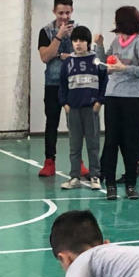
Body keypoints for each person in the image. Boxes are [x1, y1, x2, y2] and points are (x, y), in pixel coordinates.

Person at [94, 6, 139, 201]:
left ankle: (130, 184)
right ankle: (110, 184)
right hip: (113, 96)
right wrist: (99, 46)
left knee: (130, 142)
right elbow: (104, 64)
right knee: (111, 141)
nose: (114, 22)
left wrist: (125, 68)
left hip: (133, 98)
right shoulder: (116, 41)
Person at [59, 25, 106, 190]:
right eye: (75, 41)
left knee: (93, 144)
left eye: (82, 40)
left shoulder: (96, 60)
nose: (78, 44)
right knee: (74, 145)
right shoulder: (68, 62)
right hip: (73, 109)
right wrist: (65, 104)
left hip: (91, 108)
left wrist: (99, 102)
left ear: (88, 43)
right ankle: (74, 176)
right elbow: (62, 84)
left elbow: (104, 81)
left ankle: (95, 175)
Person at [37, 0, 77, 177]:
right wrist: (59, 36)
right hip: (53, 83)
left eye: (67, 13)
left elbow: (85, 54)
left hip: (74, 84)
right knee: (51, 123)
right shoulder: (45, 32)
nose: (65, 17)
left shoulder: (79, 31)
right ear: (54, 11)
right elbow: (45, 56)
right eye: (61, 13)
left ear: (72, 11)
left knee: (75, 124)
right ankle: (49, 161)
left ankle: (78, 162)